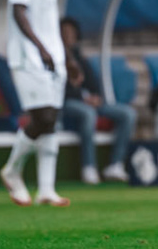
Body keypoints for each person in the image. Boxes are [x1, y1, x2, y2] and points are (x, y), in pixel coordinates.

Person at [0, 0, 69, 207]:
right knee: (44, 117)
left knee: (51, 122)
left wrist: (67, 57)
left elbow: (47, 21)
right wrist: (40, 48)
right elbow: (19, 10)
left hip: (52, 57)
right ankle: (12, 170)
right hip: (29, 56)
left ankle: (46, 190)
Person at [57, 17, 135, 186]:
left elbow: (93, 82)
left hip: (87, 102)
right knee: (88, 114)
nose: (68, 37)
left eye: (71, 33)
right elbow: (59, 88)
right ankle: (89, 166)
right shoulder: (53, 57)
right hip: (65, 104)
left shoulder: (79, 57)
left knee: (127, 114)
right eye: (64, 33)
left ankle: (115, 164)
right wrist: (84, 99)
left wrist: (96, 97)